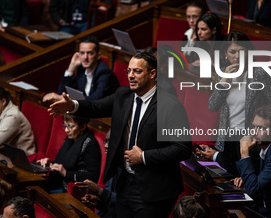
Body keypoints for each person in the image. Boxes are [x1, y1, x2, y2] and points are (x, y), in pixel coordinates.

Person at [48, 51, 192, 218]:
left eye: (137, 71)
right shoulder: (123, 96)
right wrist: (72, 105)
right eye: (129, 71)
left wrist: (144, 156)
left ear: (153, 74)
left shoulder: (171, 105)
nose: (131, 75)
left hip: (154, 190)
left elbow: (183, 148)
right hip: (125, 184)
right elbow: (96, 107)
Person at [196, 31, 271, 176]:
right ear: (225, 53)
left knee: (247, 184)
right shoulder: (222, 73)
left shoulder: (259, 73)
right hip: (228, 139)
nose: (237, 56)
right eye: (232, 51)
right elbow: (213, 106)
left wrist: (260, 134)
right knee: (228, 183)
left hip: (250, 141)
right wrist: (224, 82)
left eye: (242, 51)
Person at [42, 36, 120, 102]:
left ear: (98, 56)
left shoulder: (104, 73)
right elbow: (62, 92)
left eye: (90, 53)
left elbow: (95, 100)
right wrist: (71, 67)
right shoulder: (82, 69)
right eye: (82, 53)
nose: (85, 57)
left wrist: (60, 98)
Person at [37, 114, 101, 193]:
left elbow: (93, 176)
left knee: (38, 192)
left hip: (71, 189)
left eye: (70, 127)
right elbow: (63, 163)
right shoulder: (70, 138)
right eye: (65, 125)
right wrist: (50, 163)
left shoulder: (90, 144)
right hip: (58, 182)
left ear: (83, 126)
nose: (66, 130)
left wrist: (66, 173)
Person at [78, 130, 119, 218]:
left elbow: (125, 204)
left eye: (110, 142)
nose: (106, 146)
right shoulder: (111, 166)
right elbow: (110, 203)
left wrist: (99, 190)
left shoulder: (130, 170)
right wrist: (97, 202)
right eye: (106, 141)